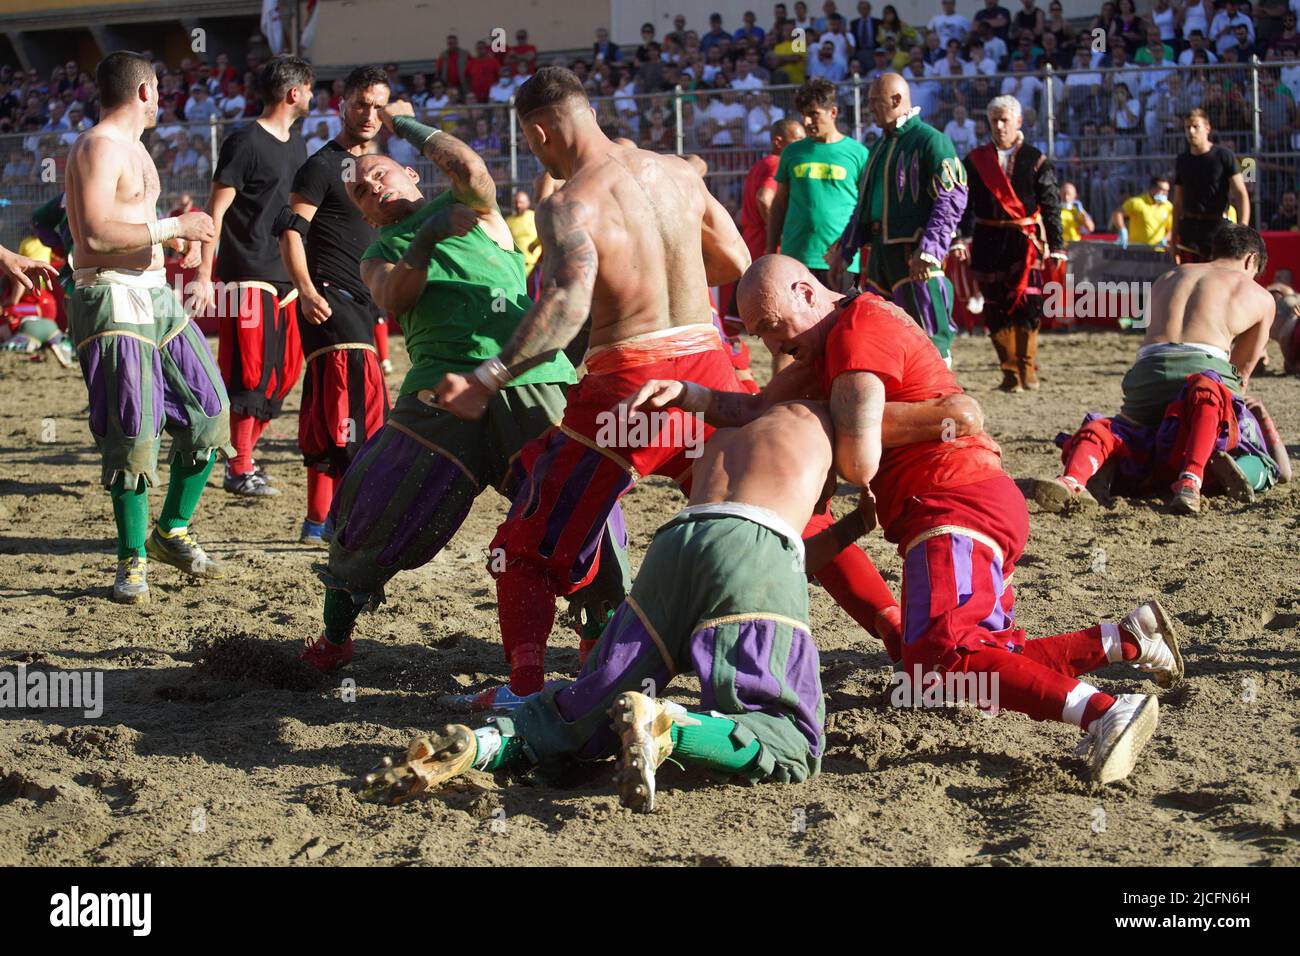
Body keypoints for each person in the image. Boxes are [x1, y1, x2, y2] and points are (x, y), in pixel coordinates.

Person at [431, 68, 904, 702]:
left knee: (527, 546)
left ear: (540, 131)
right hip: (707, 368)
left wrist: (489, 378)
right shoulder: (680, 175)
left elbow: (568, 307)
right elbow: (743, 268)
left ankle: (523, 688)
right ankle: (902, 635)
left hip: (628, 387)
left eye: (533, 142)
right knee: (782, 515)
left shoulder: (569, 204)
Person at [629, 256, 1181, 785]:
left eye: (772, 326)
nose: (772, 345)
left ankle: (1107, 711)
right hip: (967, 505)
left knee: (942, 664)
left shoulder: (854, 329)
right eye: (758, 334)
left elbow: (858, 460)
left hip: (953, 503)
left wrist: (824, 418)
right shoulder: (829, 347)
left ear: (805, 292)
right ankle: (1123, 640)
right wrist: (689, 395)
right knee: (955, 670)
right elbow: (753, 409)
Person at [361, 400, 856, 810]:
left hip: (676, 542)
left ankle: (483, 745)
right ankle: (671, 725)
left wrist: (853, 529)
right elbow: (868, 461)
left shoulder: (733, 406)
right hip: (756, 551)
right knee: (789, 739)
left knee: (586, 710)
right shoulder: (828, 406)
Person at [298, 109, 607, 674]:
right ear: (363, 216)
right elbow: (392, 298)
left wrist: (399, 123)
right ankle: (335, 638)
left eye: (381, 175)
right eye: (362, 193)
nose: (373, 188)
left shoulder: (476, 205)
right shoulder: (379, 252)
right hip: (435, 397)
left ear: (414, 175)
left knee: (582, 509)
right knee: (370, 509)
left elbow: (466, 162)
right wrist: (426, 241)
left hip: (527, 378)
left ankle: (597, 643)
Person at [63, 51, 231, 604]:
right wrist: (174, 225)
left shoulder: (134, 148)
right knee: (134, 433)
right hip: (110, 293)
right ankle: (131, 559)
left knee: (210, 413)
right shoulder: (97, 146)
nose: (161, 99)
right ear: (143, 91)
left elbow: (133, 227)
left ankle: (171, 531)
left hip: (155, 291)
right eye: (158, 89)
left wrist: (171, 240)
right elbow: (94, 233)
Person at [1029, 225, 1278, 514]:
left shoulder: (1169, 276)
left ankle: (1073, 478)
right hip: (1204, 373)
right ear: (1251, 260)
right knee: (1220, 404)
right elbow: (1240, 375)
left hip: (1147, 371)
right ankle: (1191, 478)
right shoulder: (1258, 295)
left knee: (1121, 429)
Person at [277, 65, 393, 546]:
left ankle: (318, 520)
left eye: (379, 106)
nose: (369, 114)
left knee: (334, 402)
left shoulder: (381, 167)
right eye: (361, 103)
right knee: (352, 406)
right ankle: (346, 520)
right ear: (341, 104)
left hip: (363, 302)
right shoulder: (322, 165)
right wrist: (305, 289)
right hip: (328, 298)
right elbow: (289, 230)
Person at [194, 55, 312, 498]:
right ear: (294, 92)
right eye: (310, 88)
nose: (313, 96)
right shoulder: (243, 141)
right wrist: (204, 275)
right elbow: (215, 212)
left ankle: (240, 456)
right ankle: (239, 466)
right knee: (250, 374)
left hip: (286, 273)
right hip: (246, 273)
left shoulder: (298, 146)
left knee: (283, 374)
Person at [832, 73, 967, 363]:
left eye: (874, 102)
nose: (869, 109)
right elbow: (864, 207)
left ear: (896, 100)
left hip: (913, 255)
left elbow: (952, 197)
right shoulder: (878, 148)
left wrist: (930, 251)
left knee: (929, 335)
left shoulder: (931, 141)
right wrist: (846, 250)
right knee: (882, 334)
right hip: (881, 256)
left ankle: (940, 398)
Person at [954, 95, 1065, 392]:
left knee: (1028, 303)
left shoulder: (1036, 159)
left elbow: (1051, 204)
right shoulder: (975, 161)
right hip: (987, 240)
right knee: (995, 306)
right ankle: (1009, 372)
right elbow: (963, 205)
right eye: (994, 120)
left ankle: (1027, 368)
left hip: (1024, 241)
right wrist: (957, 237)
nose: (1000, 126)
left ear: (1018, 121)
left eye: (1005, 120)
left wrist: (1057, 245)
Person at [767, 78, 869, 293]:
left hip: (842, 259)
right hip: (795, 257)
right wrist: (770, 250)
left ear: (833, 112)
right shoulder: (792, 153)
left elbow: (865, 207)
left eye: (813, 114)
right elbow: (779, 204)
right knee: (797, 326)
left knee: (841, 324)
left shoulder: (858, 154)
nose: (807, 121)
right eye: (803, 114)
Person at [1172, 109, 1251, 263]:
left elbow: (1241, 194)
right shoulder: (1182, 160)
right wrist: (1174, 236)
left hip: (1217, 228)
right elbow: (1178, 201)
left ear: (1207, 128)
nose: (1191, 131)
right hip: (1189, 230)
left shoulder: (1224, 156)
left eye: (1195, 126)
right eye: (1187, 127)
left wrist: (1243, 229)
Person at [1111, 176, 1173, 249]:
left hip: (1158, 251)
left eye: (1167, 191)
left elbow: (1171, 229)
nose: (1165, 193)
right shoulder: (1137, 202)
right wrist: (1122, 229)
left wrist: (1165, 239)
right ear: (1152, 189)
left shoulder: (1168, 206)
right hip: (1138, 250)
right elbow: (1117, 213)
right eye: (1162, 190)